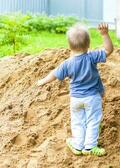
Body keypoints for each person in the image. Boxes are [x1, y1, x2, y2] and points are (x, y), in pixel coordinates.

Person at [37, 23, 113, 156]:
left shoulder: (67, 63)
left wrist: (42, 81)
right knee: (92, 121)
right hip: (92, 97)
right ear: (88, 44)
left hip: (76, 99)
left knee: (77, 121)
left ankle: (77, 145)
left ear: (69, 46)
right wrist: (105, 34)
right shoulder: (91, 57)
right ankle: (89, 147)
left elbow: (54, 74)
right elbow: (108, 50)